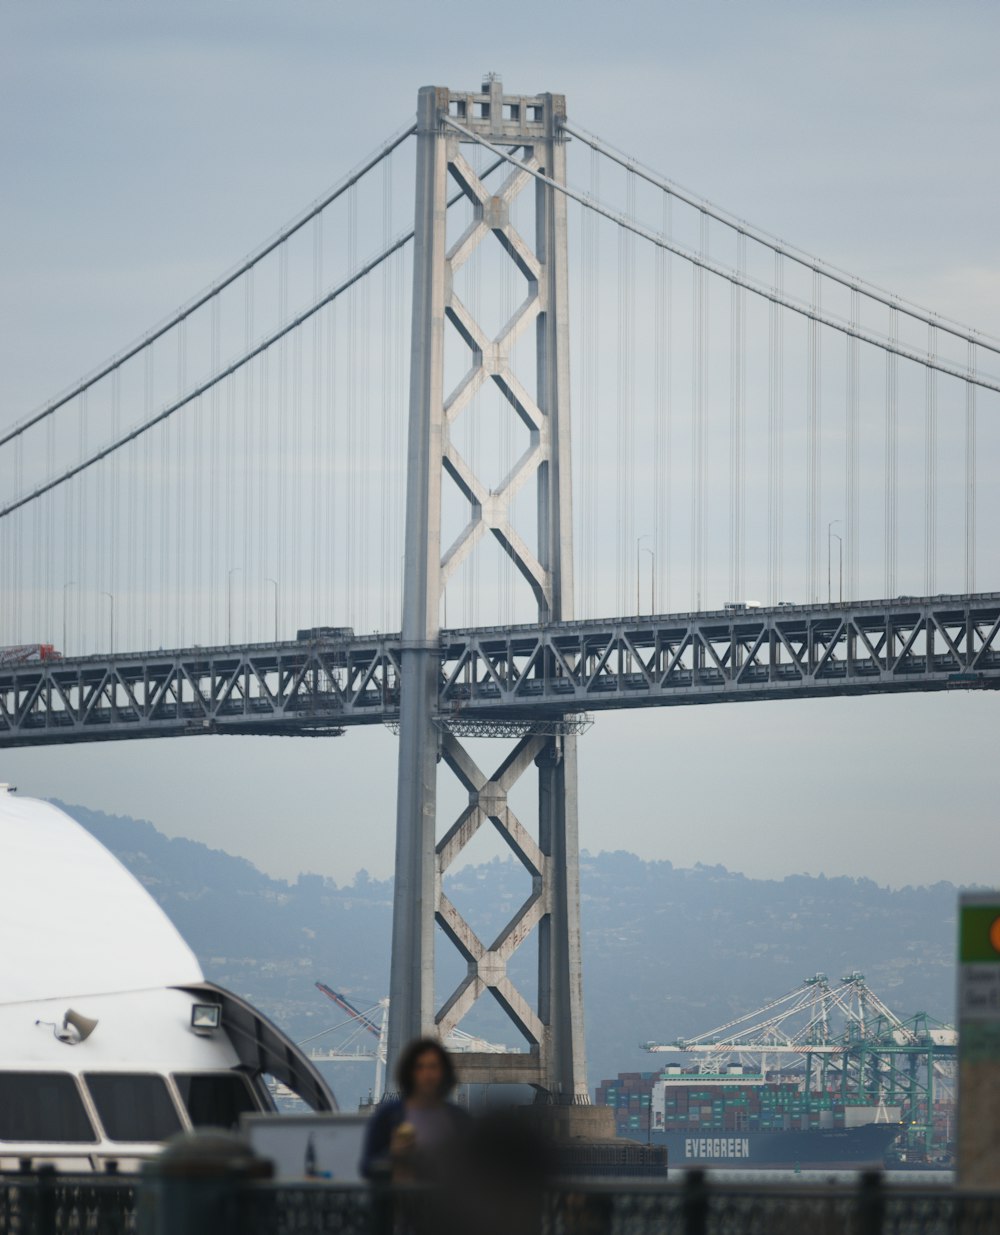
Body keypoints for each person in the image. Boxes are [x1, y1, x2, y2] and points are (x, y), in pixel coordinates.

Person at [360, 1038, 468, 1182]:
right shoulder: (388, 1116)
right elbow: (367, 1167)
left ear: (444, 1072)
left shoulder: (459, 1119)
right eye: (419, 1067)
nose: (427, 1075)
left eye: (433, 1067)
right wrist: (392, 1154)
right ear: (409, 1073)